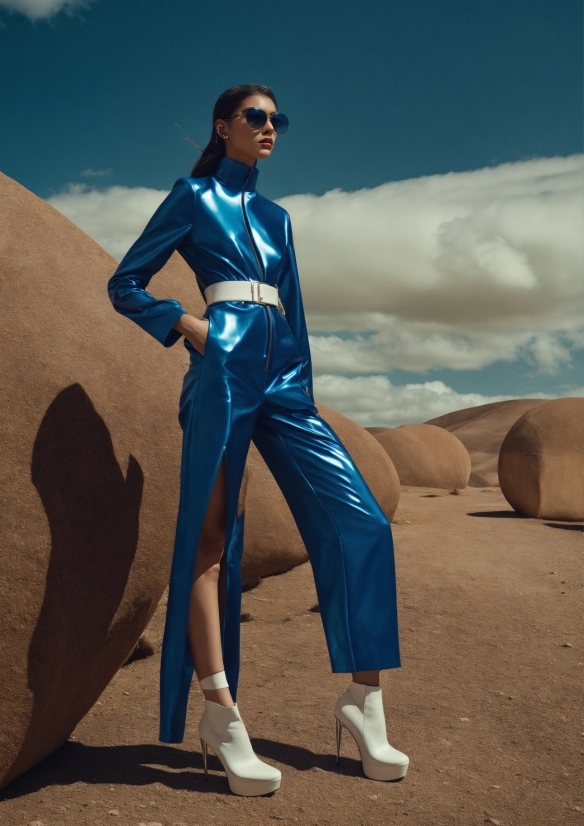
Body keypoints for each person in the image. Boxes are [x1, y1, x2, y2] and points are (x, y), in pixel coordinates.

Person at [107, 84, 409, 797]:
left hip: (284, 378)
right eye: (257, 117)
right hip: (221, 365)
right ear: (225, 126)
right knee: (211, 544)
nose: (270, 128)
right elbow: (124, 283)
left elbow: (295, 308)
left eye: (277, 120)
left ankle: (363, 702)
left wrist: (299, 391)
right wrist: (186, 325)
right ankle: (221, 714)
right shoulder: (191, 196)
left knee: (362, 525)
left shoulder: (277, 216)